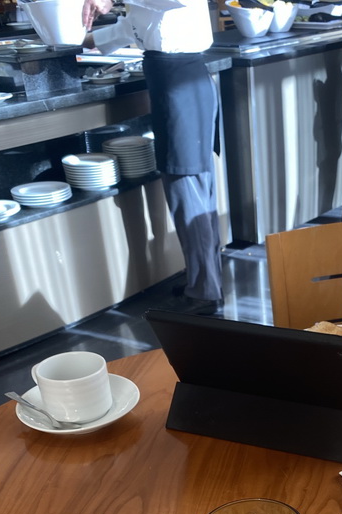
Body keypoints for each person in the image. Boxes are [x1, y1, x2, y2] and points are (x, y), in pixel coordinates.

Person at [82, 0, 223, 315]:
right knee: (193, 189)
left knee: (187, 191)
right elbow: (138, 23)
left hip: (180, 81)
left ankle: (204, 292)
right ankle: (205, 282)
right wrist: (90, 40)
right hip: (176, 79)